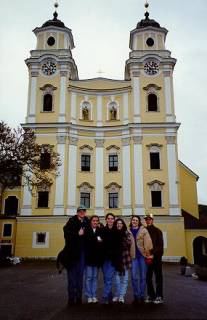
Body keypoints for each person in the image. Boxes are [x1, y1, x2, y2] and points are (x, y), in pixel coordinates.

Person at [63, 205, 89, 305]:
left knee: (80, 276)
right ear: (77, 212)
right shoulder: (72, 221)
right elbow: (66, 233)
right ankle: (71, 298)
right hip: (72, 253)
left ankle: (78, 297)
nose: (82, 212)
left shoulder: (87, 221)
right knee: (72, 276)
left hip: (82, 253)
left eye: (83, 211)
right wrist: (77, 233)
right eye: (80, 211)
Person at [129, 215, 153, 304]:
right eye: (133, 220)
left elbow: (148, 243)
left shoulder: (143, 230)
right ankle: (136, 296)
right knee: (134, 277)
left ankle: (142, 296)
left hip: (142, 257)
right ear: (131, 221)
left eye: (136, 220)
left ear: (139, 222)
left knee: (143, 277)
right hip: (133, 257)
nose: (134, 221)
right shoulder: (128, 231)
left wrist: (149, 255)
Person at [144, 214, 164, 304]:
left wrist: (152, 254)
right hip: (147, 258)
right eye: (147, 219)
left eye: (150, 219)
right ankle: (151, 295)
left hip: (156, 259)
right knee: (148, 278)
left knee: (158, 278)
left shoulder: (157, 231)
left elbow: (160, 246)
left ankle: (159, 296)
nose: (148, 221)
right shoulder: (144, 231)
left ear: (152, 220)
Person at [84, 215, 104, 303]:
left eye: (96, 221)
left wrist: (99, 241)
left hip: (96, 258)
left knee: (95, 277)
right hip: (88, 258)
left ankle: (94, 295)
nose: (95, 222)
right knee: (89, 277)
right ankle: (89, 296)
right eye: (93, 221)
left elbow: (101, 243)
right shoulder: (86, 231)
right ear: (91, 222)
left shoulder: (100, 231)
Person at [112, 218, 132, 304]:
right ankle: (117, 294)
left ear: (123, 225)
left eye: (120, 223)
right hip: (116, 259)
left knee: (125, 279)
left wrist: (120, 241)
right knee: (116, 279)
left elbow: (129, 243)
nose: (119, 225)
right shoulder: (113, 233)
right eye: (117, 223)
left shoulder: (126, 233)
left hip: (125, 258)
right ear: (115, 225)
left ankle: (121, 296)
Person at [101, 213, 116, 304]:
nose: (110, 220)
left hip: (113, 258)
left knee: (108, 277)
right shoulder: (102, 230)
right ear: (106, 220)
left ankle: (105, 297)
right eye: (109, 218)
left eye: (112, 218)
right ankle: (109, 295)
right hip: (104, 258)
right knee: (106, 278)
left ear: (114, 220)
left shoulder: (116, 230)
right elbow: (99, 241)